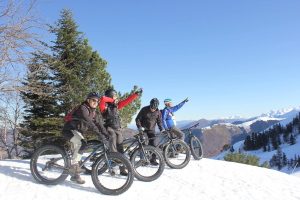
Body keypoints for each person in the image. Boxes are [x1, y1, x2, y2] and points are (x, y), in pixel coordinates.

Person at [62, 92, 108, 184]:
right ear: (88, 100)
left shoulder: (93, 111)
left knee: (82, 146)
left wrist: (106, 134)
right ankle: (74, 167)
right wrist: (99, 134)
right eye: (93, 100)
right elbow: (90, 123)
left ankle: (75, 171)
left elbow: (99, 124)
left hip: (77, 132)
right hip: (69, 130)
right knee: (81, 144)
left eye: (97, 101)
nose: (96, 102)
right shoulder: (83, 109)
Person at [99, 87, 142, 175]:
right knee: (113, 140)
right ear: (111, 96)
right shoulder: (104, 106)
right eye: (115, 96)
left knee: (120, 147)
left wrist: (136, 94)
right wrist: (112, 100)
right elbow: (103, 99)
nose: (116, 97)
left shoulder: (117, 105)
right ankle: (113, 164)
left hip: (117, 128)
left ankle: (122, 169)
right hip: (109, 128)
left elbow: (127, 101)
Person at [135, 98, 165, 165]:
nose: (153, 109)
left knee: (154, 144)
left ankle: (153, 160)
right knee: (142, 143)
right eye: (152, 108)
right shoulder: (144, 109)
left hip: (151, 130)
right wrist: (139, 127)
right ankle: (142, 160)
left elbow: (159, 122)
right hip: (143, 130)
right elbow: (137, 119)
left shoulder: (158, 112)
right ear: (150, 105)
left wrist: (162, 129)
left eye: (154, 108)